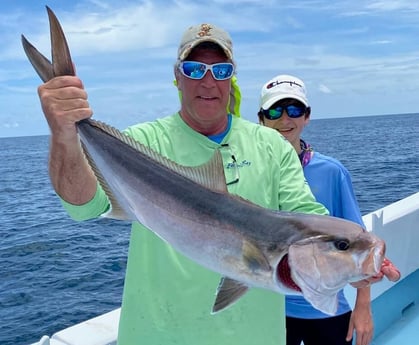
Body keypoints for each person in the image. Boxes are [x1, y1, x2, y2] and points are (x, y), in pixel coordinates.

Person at [37, 24, 329, 345]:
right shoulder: (142, 143)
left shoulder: (272, 146)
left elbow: (308, 219)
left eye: (220, 70)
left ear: (231, 78)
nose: (208, 81)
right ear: (177, 76)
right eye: (194, 69)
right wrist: (64, 132)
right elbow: (82, 206)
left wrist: (353, 261)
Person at [257, 74, 374, 345]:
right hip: (267, 309)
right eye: (275, 110)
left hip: (325, 311)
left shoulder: (332, 172)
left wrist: (363, 307)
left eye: (294, 109)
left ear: (307, 116)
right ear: (261, 118)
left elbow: (360, 244)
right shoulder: (249, 172)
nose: (285, 119)